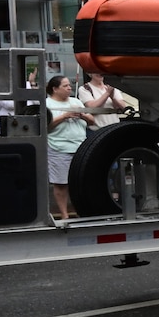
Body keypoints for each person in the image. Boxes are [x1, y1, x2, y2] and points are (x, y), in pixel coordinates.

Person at [45, 75, 94, 218]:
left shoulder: (76, 101)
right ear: (55, 89)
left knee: (83, 181)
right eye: (65, 86)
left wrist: (82, 115)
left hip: (81, 146)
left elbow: (91, 121)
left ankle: (84, 210)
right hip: (58, 147)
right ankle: (64, 214)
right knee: (61, 183)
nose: (69, 88)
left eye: (69, 85)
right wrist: (64, 116)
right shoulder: (47, 104)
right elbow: (45, 126)